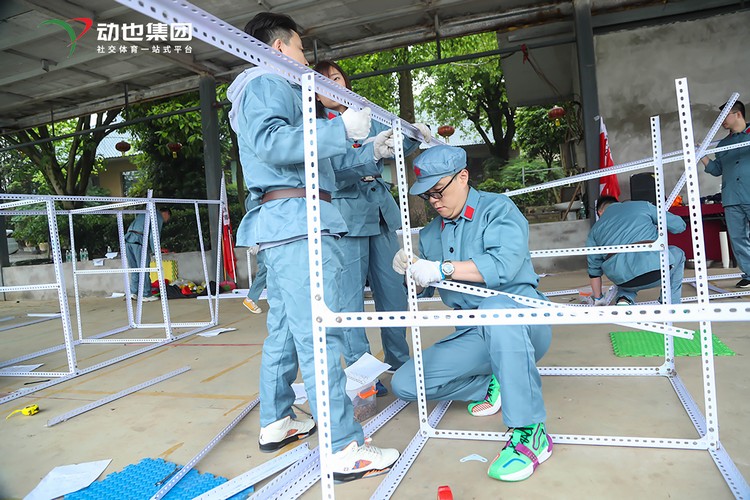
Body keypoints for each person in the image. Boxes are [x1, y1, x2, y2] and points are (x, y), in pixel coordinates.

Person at [227, 12, 399, 481]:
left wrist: (368, 149)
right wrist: (339, 130)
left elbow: (323, 168)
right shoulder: (267, 81)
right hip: (296, 221)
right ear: (279, 48)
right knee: (318, 335)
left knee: (286, 329)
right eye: (302, 49)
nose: (306, 60)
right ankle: (343, 448)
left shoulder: (280, 92)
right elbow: (272, 143)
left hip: (289, 221)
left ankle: (277, 420)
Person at [390, 145, 553, 483]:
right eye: (427, 195)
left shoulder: (498, 210)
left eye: (439, 190)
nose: (434, 201)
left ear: (463, 177)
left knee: (495, 309)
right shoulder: (431, 234)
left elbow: (504, 265)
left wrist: (442, 268)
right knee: (404, 383)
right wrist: (411, 275)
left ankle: (531, 432)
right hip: (472, 334)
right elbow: (425, 288)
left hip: (521, 321)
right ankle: (492, 383)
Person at [313, 60, 432, 393]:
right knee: (349, 304)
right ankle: (363, 378)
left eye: (336, 78)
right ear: (315, 95)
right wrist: (374, 151)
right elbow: (336, 170)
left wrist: (413, 135)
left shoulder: (365, 117)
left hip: (380, 215)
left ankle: (401, 365)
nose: (333, 85)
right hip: (346, 220)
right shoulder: (320, 127)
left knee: (394, 293)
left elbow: (391, 146)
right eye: (323, 83)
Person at [586, 196, 686, 305]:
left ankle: (624, 300)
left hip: (624, 280)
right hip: (657, 270)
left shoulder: (594, 231)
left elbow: (594, 272)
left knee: (624, 275)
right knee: (678, 253)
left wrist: (599, 299)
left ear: (600, 212)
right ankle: (671, 302)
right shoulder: (642, 205)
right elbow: (679, 226)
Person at [701, 100, 750, 288]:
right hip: (732, 198)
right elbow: (716, 170)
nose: (721, 120)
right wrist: (702, 155)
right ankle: (749, 274)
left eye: (724, 116)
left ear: (738, 114)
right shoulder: (723, 144)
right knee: (738, 238)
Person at [124, 207, 171, 302]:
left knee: (134, 269)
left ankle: (133, 293)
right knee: (144, 269)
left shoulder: (144, 213)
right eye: (168, 218)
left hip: (128, 240)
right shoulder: (157, 216)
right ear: (166, 213)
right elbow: (154, 235)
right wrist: (156, 251)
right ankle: (146, 294)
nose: (166, 221)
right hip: (139, 241)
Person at [242, 197, 266, 314]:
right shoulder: (254, 197)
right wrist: (255, 242)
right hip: (262, 240)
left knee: (269, 269)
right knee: (266, 268)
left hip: (266, 238)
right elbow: (255, 219)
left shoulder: (257, 195)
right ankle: (251, 298)